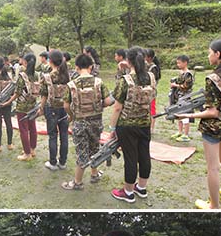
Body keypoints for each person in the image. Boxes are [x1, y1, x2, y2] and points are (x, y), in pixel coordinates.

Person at [175, 38, 221, 209]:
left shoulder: (213, 78)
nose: (208, 56)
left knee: (213, 168)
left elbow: (212, 112)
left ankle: (214, 206)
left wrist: (186, 114)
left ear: (218, 54)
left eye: (210, 52)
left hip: (214, 128)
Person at [109, 47, 157, 203]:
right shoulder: (151, 77)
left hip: (127, 125)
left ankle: (128, 191)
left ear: (128, 61)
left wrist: (112, 128)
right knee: (144, 155)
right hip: (144, 122)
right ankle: (141, 187)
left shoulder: (126, 80)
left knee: (130, 158)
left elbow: (117, 107)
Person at [62, 53, 114, 191]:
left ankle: (77, 182)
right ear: (91, 67)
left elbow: (66, 105)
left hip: (80, 123)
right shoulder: (99, 82)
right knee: (94, 148)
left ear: (76, 67)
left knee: (81, 152)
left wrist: (71, 116)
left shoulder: (71, 84)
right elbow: (109, 101)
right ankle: (94, 174)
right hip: (96, 122)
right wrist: (97, 106)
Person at [3, 53, 40, 161]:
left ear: (25, 62)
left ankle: (27, 154)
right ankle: (32, 150)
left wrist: (8, 101)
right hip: (33, 104)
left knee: (23, 129)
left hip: (22, 106)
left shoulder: (22, 76)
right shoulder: (37, 75)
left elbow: (17, 93)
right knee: (32, 127)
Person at [39, 50, 70, 170]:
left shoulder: (48, 77)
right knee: (64, 135)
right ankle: (63, 162)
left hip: (51, 108)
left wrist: (41, 108)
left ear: (50, 61)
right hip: (65, 107)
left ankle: (53, 162)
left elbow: (44, 95)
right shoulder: (67, 75)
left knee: (52, 135)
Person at [169, 54, 194, 142]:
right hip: (178, 97)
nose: (178, 65)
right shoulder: (181, 73)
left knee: (185, 115)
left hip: (185, 97)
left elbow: (186, 86)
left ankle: (186, 134)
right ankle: (180, 131)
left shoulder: (188, 74)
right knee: (178, 114)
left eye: (179, 63)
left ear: (185, 63)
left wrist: (175, 85)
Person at [145, 49, 162, 132]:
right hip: (145, 91)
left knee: (151, 109)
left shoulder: (153, 68)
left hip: (151, 92)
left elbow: (153, 81)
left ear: (149, 57)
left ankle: (151, 127)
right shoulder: (146, 65)